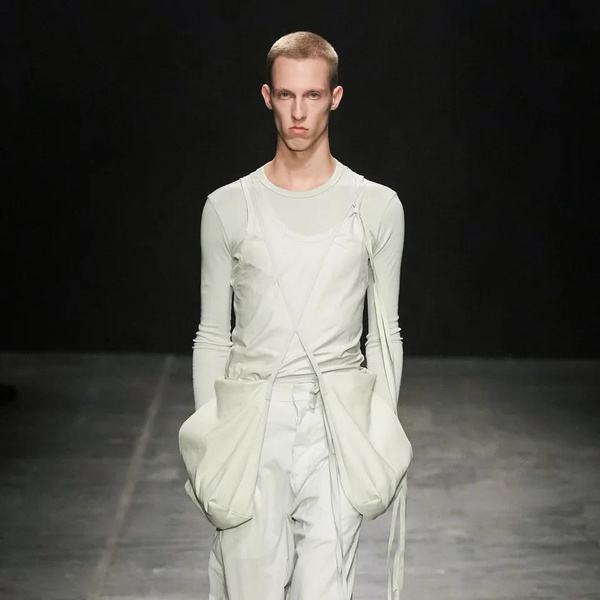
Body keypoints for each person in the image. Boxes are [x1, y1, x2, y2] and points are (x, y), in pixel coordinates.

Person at [192, 31, 406, 600]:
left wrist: (377, 433)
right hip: (251, 417)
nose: (299, 112)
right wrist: (213, 439)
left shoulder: (376, 206)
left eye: (312, 95)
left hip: (337, 418)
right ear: (268, 97)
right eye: (286, 95)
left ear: (335, 97)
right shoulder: (228, 207)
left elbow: (385, 334)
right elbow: (212, 334)